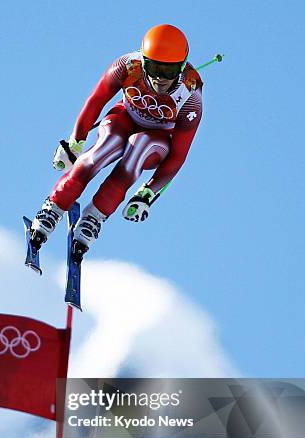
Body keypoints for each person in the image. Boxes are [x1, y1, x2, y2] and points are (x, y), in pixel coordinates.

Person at [30, 24, 203, 263]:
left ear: (182, 67)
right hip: (123, 118)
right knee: (106, 146)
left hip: (156, 139)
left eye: (169, 70)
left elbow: (179, 154)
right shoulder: (126, 66)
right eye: (154, 67)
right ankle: (54, 207)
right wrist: (75, 142)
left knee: (138, 146)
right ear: (143, 60)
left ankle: (95, 217)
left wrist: (148, 193)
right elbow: (96, 100)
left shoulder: (191, 96)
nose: (160, 78)